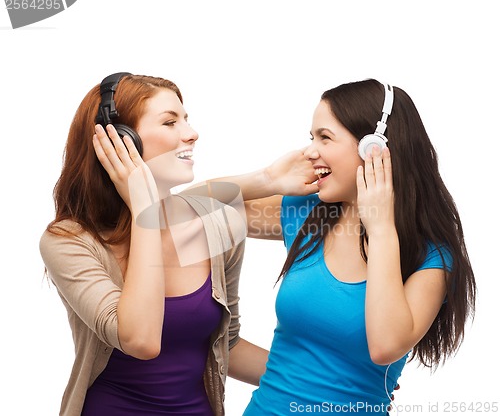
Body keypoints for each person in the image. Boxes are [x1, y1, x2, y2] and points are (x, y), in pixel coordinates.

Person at [209, 79, 476, 415]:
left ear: (374, 148)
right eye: (311, 138)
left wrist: (380, 228)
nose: (309, 151)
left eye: (325, 137)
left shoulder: (431, 257)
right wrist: (265, 179)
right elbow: (179, 211)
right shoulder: (306, 215)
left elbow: (384, 347)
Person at [39, 73, 268, 416]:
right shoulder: (69, 242)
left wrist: (325, 381)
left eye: (186, 119)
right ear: (121, 141)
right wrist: (143, 211)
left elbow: (226, 345)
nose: (192, 133)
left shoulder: (214, 228)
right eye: (170, 122)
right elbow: (141, 341)